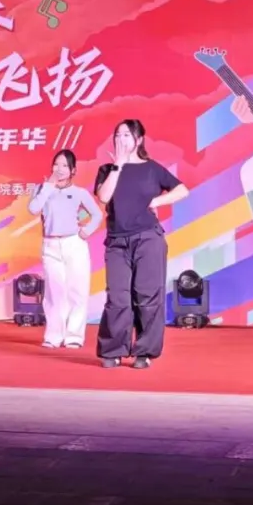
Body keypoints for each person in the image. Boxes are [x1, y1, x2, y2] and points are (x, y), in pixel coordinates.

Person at [94, 119, 189, 369]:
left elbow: (182, 190)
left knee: (147, 296)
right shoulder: (107, 169)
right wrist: (118, 164)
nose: (121, 139)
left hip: (148, 238)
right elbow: (104, 197)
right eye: (117, 135)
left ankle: (144, 351)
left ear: (139, 139)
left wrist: (156, 202)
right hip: (117, 241)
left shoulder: (152, 169)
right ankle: (113, 350)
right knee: (117, 297)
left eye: (126, 134)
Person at [27, 150, 103, 349]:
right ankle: (53, 336)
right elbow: (33, 209)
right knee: (54, 292)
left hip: (73, 244)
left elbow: (97, 215)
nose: (59, 169)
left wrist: (86, 231)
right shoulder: (42, 189)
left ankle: (74, 336)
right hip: (50, 245)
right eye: (56, 164)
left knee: (77, 291)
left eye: (64, 166)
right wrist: (48, 187)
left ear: (73, 170)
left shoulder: (79, 192)